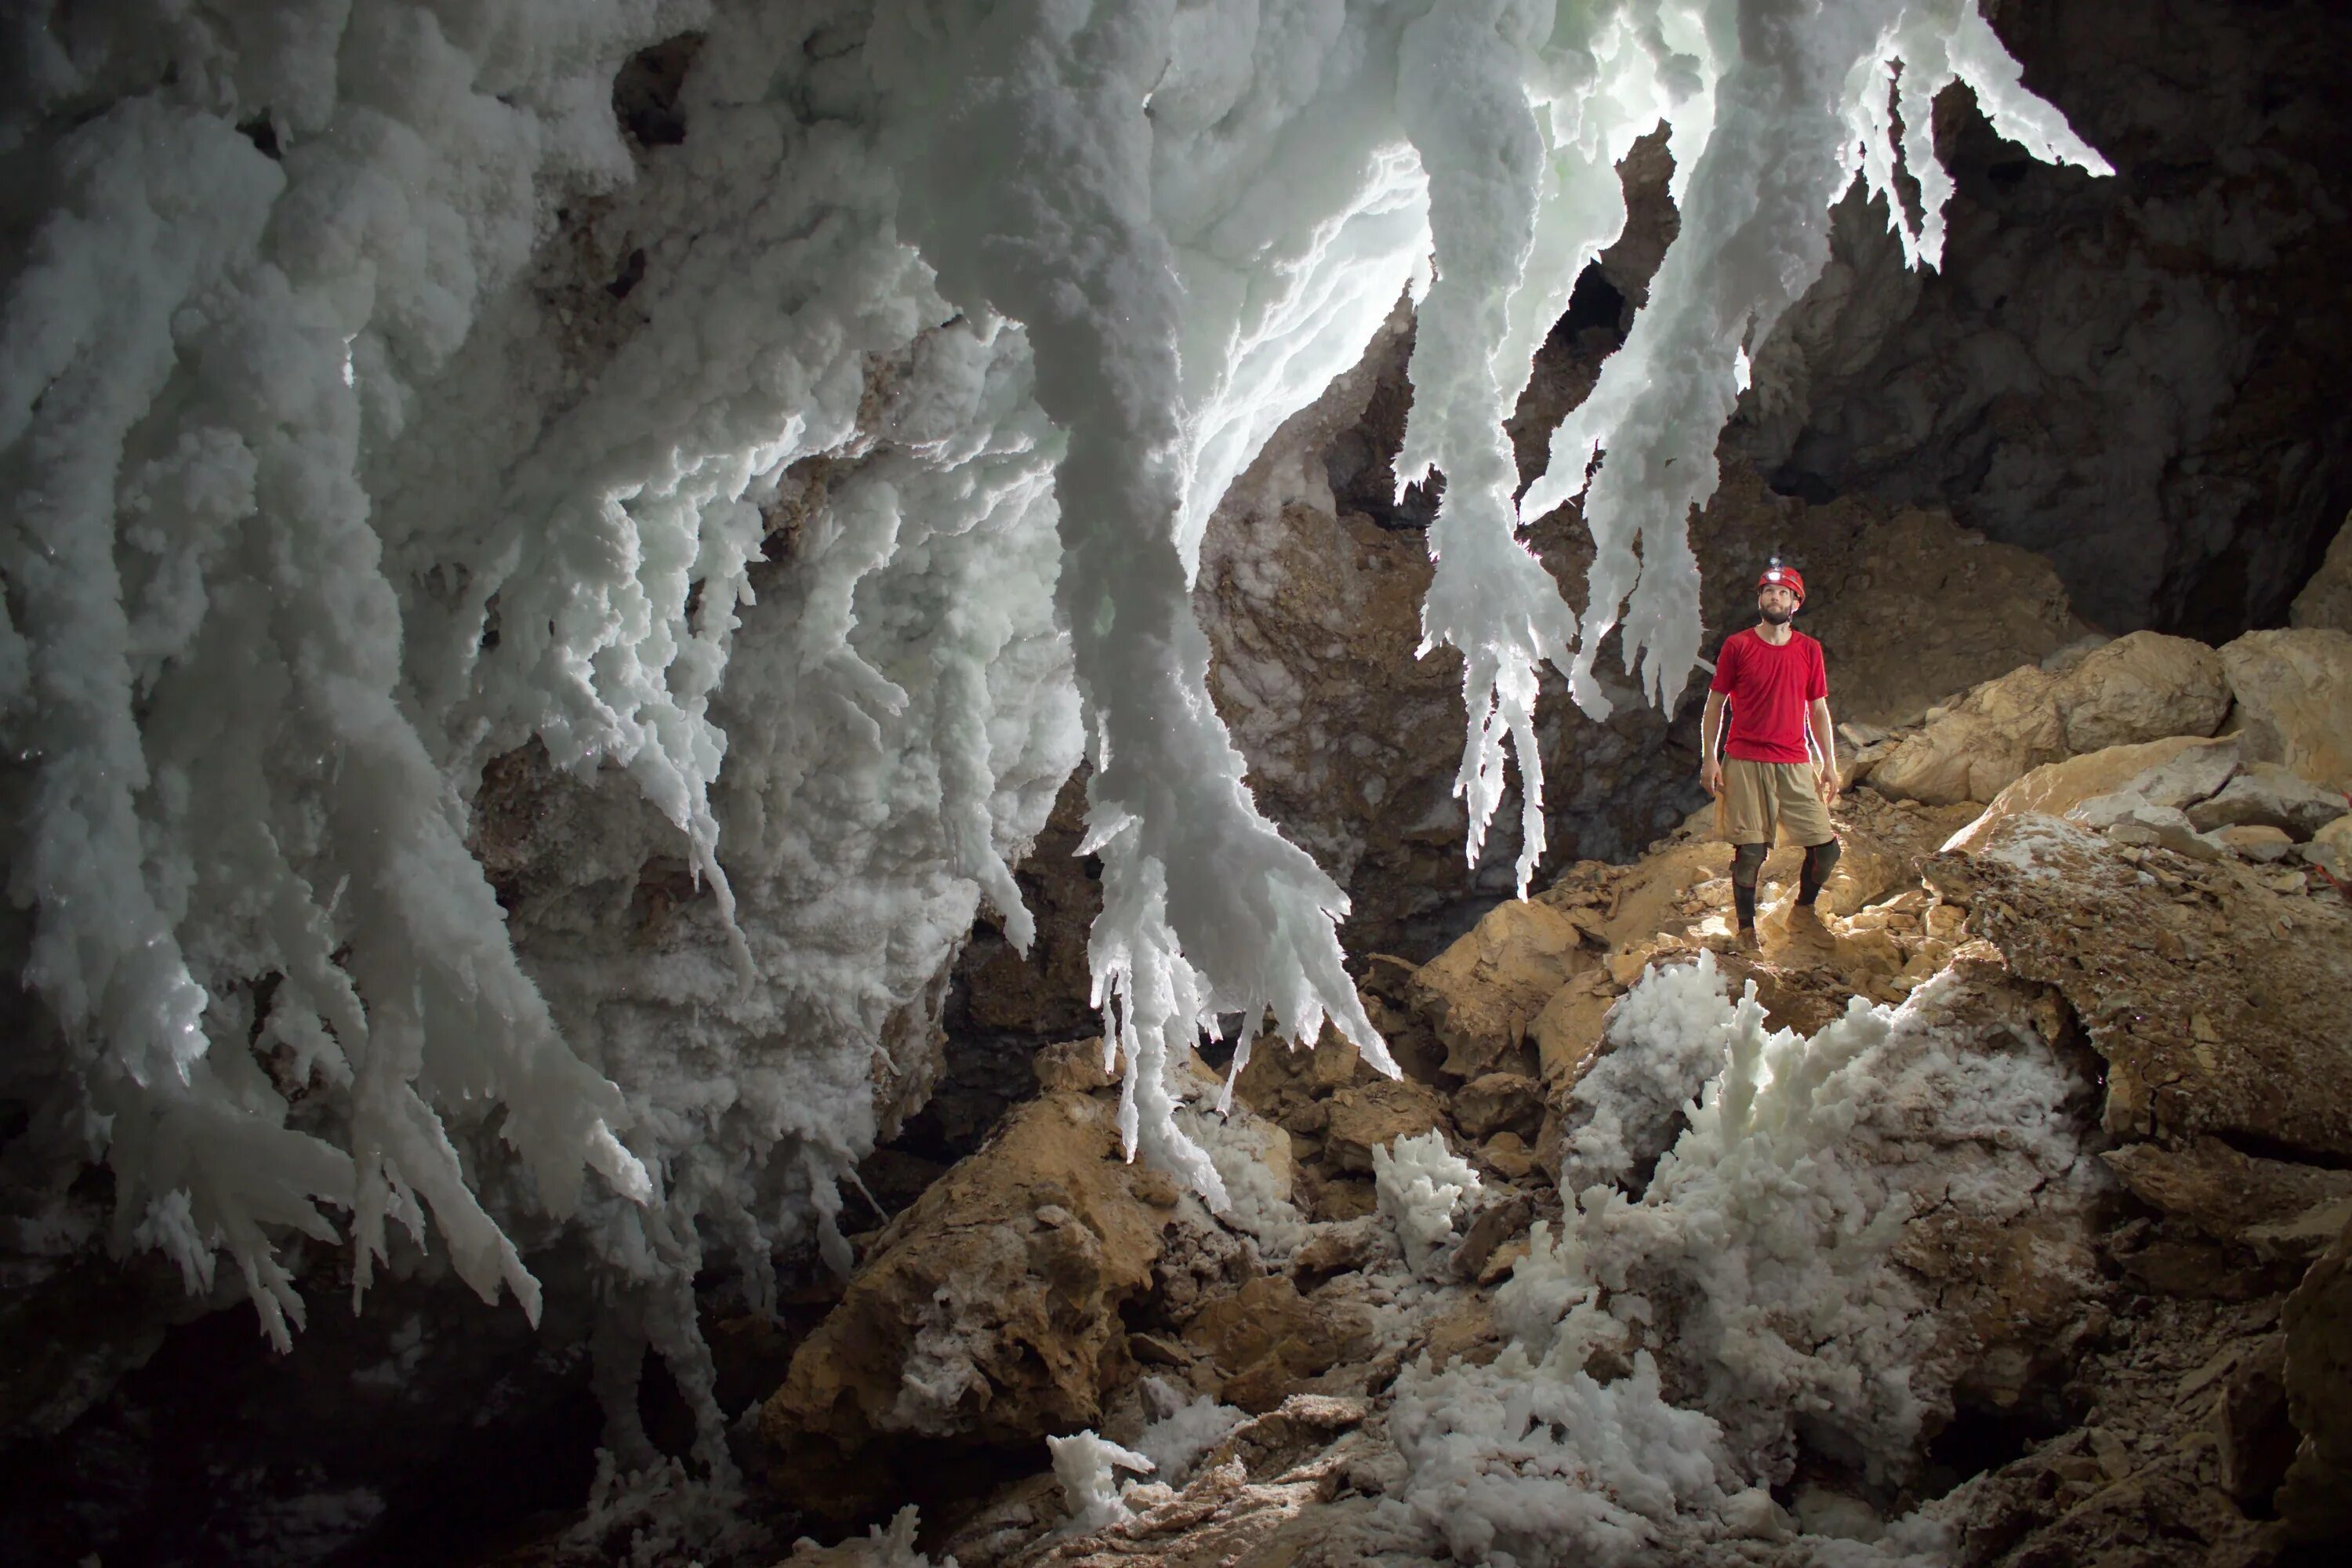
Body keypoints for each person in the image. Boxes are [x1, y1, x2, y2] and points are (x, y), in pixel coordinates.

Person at [1699, 561, 1840, 945]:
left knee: (1826, 850)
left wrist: (1829, 763)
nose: (1774, 598)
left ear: (1795, 602)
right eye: (1767, 592)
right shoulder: (1738, 646)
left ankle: (1803, 913)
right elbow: (1716, 704)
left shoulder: (1809, 650)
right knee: (1750, 852)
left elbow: (1819, 710)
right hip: (1743, 760)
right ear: (1759, 599)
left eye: (1782, 593)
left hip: (1793, 760)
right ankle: (1747, 931)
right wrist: (1709, 757)